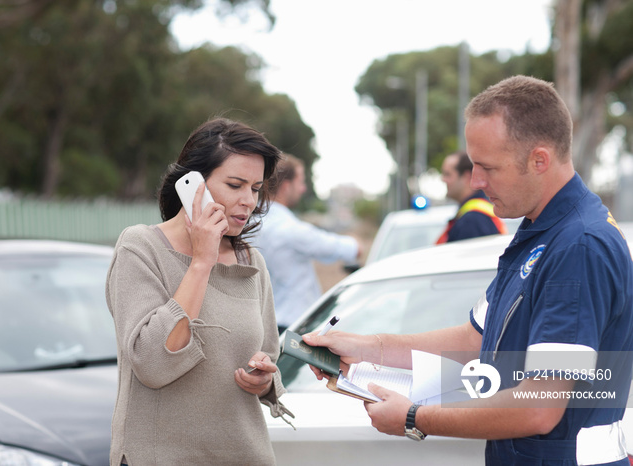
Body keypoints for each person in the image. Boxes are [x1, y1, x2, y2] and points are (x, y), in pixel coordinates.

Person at [303, 76, 633, 465]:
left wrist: (413, 417)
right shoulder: (542, 230)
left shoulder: (577, 247)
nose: (476, 182)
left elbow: (539, 408)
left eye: (487, 167)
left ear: (539, 160)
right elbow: (475, 338)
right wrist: (366, 348)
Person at [105, 118, 293, 466]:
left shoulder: (251, 261)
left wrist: (265, 381)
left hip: (245, 454)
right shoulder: (140, 247)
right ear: (192, 185)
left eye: (255, 188)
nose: (248, 201)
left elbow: (267, 356)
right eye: (235, 184)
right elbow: (151, 363)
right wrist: (201, 263)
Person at [252, 154, 361, 334]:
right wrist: (356, 242)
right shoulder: (291, 229)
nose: (303, 189)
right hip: (293, 326)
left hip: (260, 326)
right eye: (300, 182)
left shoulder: (249, 225)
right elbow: (346, 249)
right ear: (286, 187)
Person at [436, 150, 508, 243]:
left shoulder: (472, 220)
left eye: (447, 174)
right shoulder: (477, 212)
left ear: (466, 177)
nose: (443, 180)